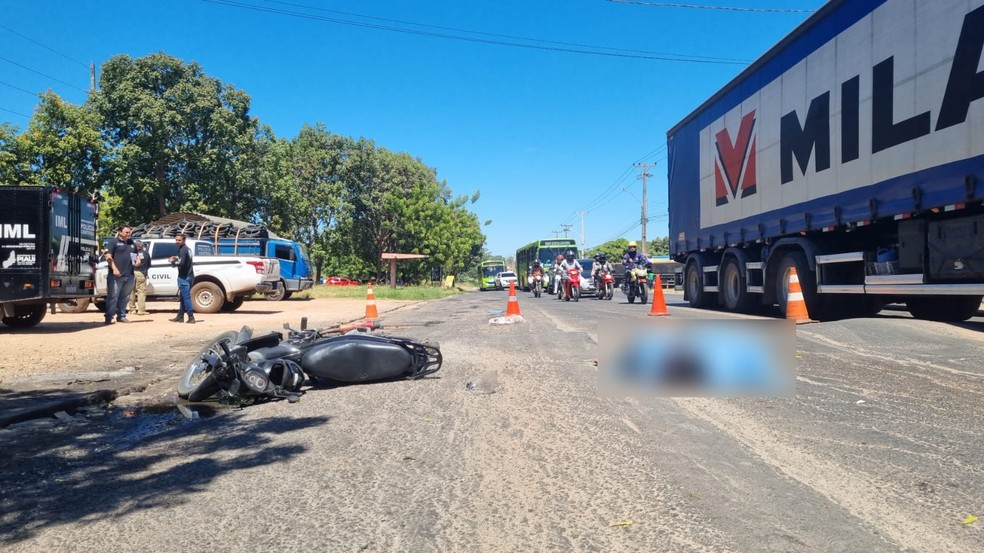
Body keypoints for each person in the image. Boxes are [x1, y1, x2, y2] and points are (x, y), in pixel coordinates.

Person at [103, 226, 135, 324]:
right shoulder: (113, 242)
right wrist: (115, 269)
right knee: (113, 297)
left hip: (129, 275)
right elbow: (108, 257)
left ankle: (121, 316)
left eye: (130, 232)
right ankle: (109, 317)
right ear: (120, 232)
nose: (129, 234)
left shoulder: (132, 243)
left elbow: (134, 255)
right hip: (116, 275)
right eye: (126, 232)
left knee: (125, 297)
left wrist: (137, 261)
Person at [168, 234, 196, 324]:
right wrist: (176, 258)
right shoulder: (187, 249)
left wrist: (172, 262)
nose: (177, 242)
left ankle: (191, 316)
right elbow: (184, 260)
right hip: (190, 275)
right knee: (183, 297)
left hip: (184, 276)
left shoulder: (183, 250)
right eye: (176, 240)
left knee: (186, 297)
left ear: (184, 240)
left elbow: (182, 264)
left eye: (179, 240)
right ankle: (180, 316)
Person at [128, 240, 150, 315]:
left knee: (131, 292)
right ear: (142, 246)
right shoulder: (146, 253)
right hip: (141, 274)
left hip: (132, 273)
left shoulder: (133, 254)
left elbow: (130, 264)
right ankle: (141, 310)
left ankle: (132, 310)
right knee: (141, 292)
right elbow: (149, 265)